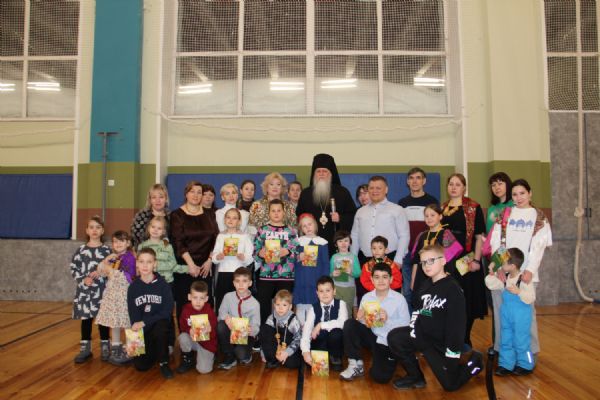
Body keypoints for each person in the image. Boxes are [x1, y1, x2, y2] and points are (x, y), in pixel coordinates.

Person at [387, 244, 483, 392]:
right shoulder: (424, 286)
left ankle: (474, 362)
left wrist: (452, 354)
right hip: (424, 338)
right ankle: (415, 377)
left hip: (441, 344)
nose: (426, 265)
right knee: (395, 337)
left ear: (443, 261)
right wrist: (415, 332)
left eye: (431, 261)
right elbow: (418, 312)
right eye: (423, 262)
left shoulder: (452, 289)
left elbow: (456, 327)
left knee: (450, 385)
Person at [487, 178, 552, 356]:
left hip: (526, 275)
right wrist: (501, 267)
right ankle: (503, 353)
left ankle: (529, 354)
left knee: (526, 316)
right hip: (504, 273)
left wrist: (529, 270)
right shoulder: (505, 214)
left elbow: (539, 247)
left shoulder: (539, 217)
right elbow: (497, 241)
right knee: (501, 315)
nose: (519, 197)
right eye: (515, 194)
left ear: (530, 193)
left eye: (522, 193)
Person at [341, 263, 410, 383]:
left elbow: (406, 327)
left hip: (388, 341)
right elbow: (364, 323)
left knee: (380, 377)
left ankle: (393, 358)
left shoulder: (399, 299)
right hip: (372, 335)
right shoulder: (367, 297)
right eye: (377, 277)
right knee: (350, 324)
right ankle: (355, 363)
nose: (381, 281)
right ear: (372, 280)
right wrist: (360, 318)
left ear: (391, 279)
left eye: (385, 277)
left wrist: (387, 320)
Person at [441, 173, 487, 347]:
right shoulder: (443, 207)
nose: (453, 187)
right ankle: (451, 339)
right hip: (447, 260)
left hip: (467, 259)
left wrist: (476, 260)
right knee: (450, 298)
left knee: (467, 298)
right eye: (451, 184)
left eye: (458, 184)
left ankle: (465, 338)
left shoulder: (473, 207)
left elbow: (479, 237)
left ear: (464, 188)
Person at [169, 181, 219, 324]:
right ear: (186, 194)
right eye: (192, 191)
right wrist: (190, 265)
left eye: (199, 192)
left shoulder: (210, 214)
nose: (196, 195)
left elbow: (216, 239)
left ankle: (204, 337)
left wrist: (209, 260)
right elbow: (178, 242)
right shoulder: (177, 215)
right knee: (185, 303)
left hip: (205, 267)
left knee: (205, 304)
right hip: (185, 266)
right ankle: (186, 337)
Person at [485, 248, 535, 376]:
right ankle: (506, 364)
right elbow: (490, 284)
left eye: (504, 263)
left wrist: (519, 292)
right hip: (507, 315)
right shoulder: (505, 277)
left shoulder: (523, 279)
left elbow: (531, 298)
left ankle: (526, 365)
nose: (502, 265)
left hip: (521, 316)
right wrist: (491, 271)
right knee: (506, 339)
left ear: (512, 266)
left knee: (521, 340)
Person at [138, 216, 186, 351]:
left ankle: (169, 343)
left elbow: (173, 265)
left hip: (166, 284)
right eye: (153, 227)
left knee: (167, 313)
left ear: (164, 231)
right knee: (148, 312)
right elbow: (139, 266)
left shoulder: (167, 246)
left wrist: (189, 269)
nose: (155, 230)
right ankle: (149, 342)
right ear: (148, 228)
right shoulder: (142, 246)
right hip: (148, 285)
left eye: (159, 228)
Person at [127, 248, 175, 379]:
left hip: (159, 327)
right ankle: (156, 351)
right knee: (140, 366)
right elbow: (134, 316)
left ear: (155, 264)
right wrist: (133, 341)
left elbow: (167, 312)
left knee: (161, 326)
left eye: (149, 262)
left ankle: (164, 362)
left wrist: (145, 322)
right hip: (144, 330)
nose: (145, 265)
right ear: (137, 263)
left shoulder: (163, 285)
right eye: (141, 261)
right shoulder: (133, 287)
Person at [296, 153, 357, 255]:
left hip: (335, 242)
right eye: (318, 171)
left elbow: (353, 215)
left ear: (331, 174)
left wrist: (340, 218)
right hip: (311, 244)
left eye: (324, 171)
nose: (321, 174)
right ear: (314, 174)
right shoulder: (306, 193)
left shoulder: (342, 192)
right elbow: (299, 216)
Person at [351, 175, 410, 279]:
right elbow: (355, 236)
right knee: (365, 289)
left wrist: (398, 260)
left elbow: (404, 235)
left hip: (390, 259)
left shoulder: (397, 210)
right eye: (371, 188)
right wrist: (353, 260)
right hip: (365, 260)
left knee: (389, 289)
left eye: (378, 188)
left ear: (386, 190)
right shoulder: (360, 212)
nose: (374, 191)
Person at [70, 216, 111, 363]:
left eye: (98, 227)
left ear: (102, 231)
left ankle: (105, 347)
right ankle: (85, 349)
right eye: (91, 227)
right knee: (86, 320)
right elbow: (73, 268)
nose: (95, 230)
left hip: (102, 292)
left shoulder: (107, 251)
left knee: (103, 320)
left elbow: (113, 268)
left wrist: (103, 272)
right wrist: (83, 279)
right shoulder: (81, 250)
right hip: (85, 293)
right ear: (87, 230)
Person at [398, 168, 439, 309]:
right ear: (407, 181)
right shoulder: (402, 203)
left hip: (426, 254)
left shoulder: (432, 201)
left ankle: (426, 319)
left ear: (424, 181)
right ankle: (410, 321)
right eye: (411, 178)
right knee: (408, 291)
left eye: (418, 178)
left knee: (427, 290)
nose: (414, 181)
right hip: (407, 254)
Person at [254, 199, 299, 324]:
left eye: (279, 210)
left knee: (285, 307)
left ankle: (285, 331)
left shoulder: (291, 231)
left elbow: (298, 253)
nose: (276, 213)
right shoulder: (262, 230)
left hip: (286, 276)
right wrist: (260, 253)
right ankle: (265, 331)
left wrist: (288, 252)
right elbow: (254, 252)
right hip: (266, 275)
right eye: (273, 211)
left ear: (284, 212)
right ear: (268, 213)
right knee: (263, 307)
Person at [95, 230, 136, 365]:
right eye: (115, 241)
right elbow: (101, 272)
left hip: (125, 295)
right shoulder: (114, 257)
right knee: (115, 322)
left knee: (129, 322)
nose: (117, 244)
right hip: (113, 296)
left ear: (128, 243)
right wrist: (106, 261)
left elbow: (125, 277)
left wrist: (110, 270)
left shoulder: (130, 257)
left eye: (121, 241)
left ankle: (134, 350)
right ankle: (116, 349)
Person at [410, 204, 462, 303]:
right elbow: (416, 261)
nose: (429, 218)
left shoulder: (446, 234)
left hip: (440, 278)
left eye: (432, 215)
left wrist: (445, 279)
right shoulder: (422, 236)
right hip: (421, 277)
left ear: (440, 216)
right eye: (426, 216)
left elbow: (451, 262)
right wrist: (413, 280)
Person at [217, 267, 261, 370]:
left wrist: (251, 330)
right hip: (231, 330)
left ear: (250, 283)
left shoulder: (255, 304)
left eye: (244, 281)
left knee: (241, 355)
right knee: (221, 326)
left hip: (246, 335)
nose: (241, 284)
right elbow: (221, 313)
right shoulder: (228, 297)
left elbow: (256, 325)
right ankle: (229, 355)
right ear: (234, 283)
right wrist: (227, 318)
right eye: (237, 281)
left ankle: (244, 353)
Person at [301, 276, 348, 372]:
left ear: (334, 291)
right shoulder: (313, 308)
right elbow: (306, 331)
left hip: (335, 343)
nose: (325, 294)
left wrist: (320, 325)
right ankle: (320, 355)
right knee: (317, 369)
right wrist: (305, 351)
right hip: (319, 343)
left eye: (328, 290)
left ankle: (335, 357)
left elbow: (343, 323)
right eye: (321, 291)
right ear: (317, 293)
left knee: (336, 332)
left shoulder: (341, 304)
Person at [212, 207, 254, 309]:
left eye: (234, 218)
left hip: (239, 275)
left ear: (239, 222)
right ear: (224, 220)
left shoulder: (244, 236)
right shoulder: (221, 236)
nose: (231, 220)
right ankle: (222, 319)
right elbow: (214, 256)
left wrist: (244, 258)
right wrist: (218, 257)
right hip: (223, 273)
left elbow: (251, 256)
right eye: (228, 217)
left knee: (237, 303)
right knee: (222, 302)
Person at [293, 213, 330, 324]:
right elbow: (291, 261)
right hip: (302, 280)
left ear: (315, 225)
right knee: (300, 307)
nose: (308, 227)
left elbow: (326, 264)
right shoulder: (298, 242)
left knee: (315, 307)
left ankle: (314, 329)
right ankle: (301, 329)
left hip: (316, 280)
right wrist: (298, 257)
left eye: (309, 224)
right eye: (304, 226)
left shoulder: (322, 243)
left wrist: (325, 281)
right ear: (301, 229)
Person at [176, 280, 218, 375]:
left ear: (206, 299)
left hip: (207, 344)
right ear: (189, 297)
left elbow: (214, 331)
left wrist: (210, 329)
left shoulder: (209, 311)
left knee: (204, 370)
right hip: (193, 340)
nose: (198, 302)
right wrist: (189, 330)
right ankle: (188, 358)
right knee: (183, 337)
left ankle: (211, 356)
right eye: (195, 298)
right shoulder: (185, 310)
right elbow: (182, 326)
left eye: (201, 298)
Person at [260, 289, 303, 369]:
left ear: (290, 307)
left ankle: (281, 358)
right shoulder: (271, 318)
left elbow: (298, 339)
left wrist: (287, 352)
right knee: (264, 328)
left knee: (292, 364)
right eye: (278, 304)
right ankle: (273, 358)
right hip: (276, 346)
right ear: (274, 305)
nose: (280, 308)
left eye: (284, 305)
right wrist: (264, 353)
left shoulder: (294, 320)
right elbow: (265, 337)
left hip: (289, 345)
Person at [330, 230, 361, 317]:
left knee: (347, 311)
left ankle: (347, 325)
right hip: (336, 288)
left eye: (346, 240)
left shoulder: (353, 257)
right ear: (336, 244)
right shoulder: (334, 257)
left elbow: (359, 273)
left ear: (350, 243)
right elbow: (329, 273)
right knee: (336, 310)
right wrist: (332, 274)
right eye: (340, 241)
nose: (343, 243)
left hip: (349, 288)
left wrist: (351, 272)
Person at [130, 183, 171, 248]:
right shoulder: (141, 216)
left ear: (166, 199)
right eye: (154, 197)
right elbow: (135, 238)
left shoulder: (172, 217)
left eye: (161, 197)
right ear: (150, 200)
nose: (158, 200)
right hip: (145, 250)